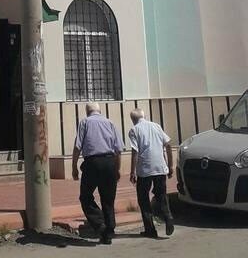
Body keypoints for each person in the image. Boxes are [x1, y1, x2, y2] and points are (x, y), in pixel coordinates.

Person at [72, 102, 124, 244]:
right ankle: (110, 228)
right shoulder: (110, 123)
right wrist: (117, 169)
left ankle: (100, 225)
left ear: (87, 111)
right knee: (108, 198)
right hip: (109, 162)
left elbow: (77, 146)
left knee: (86, 197)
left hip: (92, 163)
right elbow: (118, 150)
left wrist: (74, 167)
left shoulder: (85, 122)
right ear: (99, 111)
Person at [128, 109, 174, 239]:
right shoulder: (156, 126)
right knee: (161, 194)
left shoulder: (134, 130)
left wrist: (133, 172)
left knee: (143, 199)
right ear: (144, 116)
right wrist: (170, 165)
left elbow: (135, 152)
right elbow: (168, 145)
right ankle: (168, 216)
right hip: (160, 167)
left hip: (145, 169)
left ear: (133, 119)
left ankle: (150, 229)